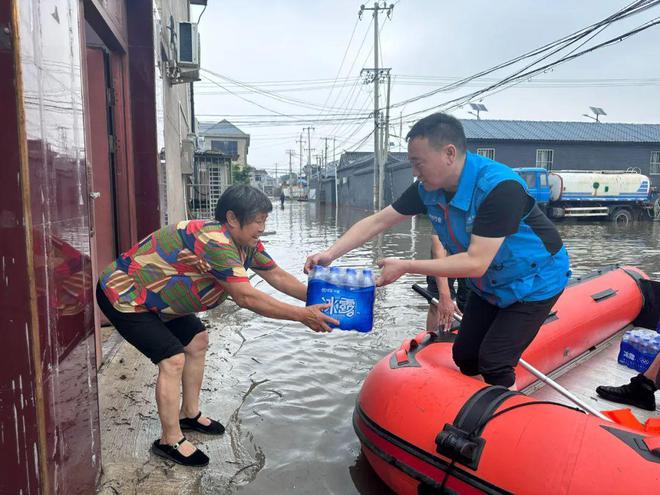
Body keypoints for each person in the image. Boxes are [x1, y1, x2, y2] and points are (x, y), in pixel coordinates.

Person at [305, 112, 570, 389]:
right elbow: (378, 221)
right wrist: (331, 253)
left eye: (419, 163)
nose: (415, 172)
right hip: (489, 284)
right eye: (412, 164)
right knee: (465, 356)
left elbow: (476, 262)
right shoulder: (428, 189)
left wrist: (407, 265)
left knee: (494, 360)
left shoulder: (499, 188)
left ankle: (502, 416)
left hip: (536, 282)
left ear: (449, 153)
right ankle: (475, 404)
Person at [97, 185, 337, 467]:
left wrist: (321, 299)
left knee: (197, 340)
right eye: (258, 220)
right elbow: (246, 296)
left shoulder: (246, 244)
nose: (262, 227)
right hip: (125, 295)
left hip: (159, 300)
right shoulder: (215, 241)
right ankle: (169, 440)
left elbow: (276, 275)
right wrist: (302, 315)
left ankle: (189, 415)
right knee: (172, 358)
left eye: (265, 220)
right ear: (233, 218)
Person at [425, 234, 469, 332]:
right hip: (445, 255)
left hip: (474, 255)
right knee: (436, 302)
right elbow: (438, 248)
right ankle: (432, 338)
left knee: (469, 302)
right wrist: (444, 296)